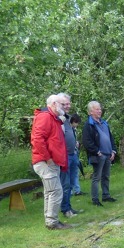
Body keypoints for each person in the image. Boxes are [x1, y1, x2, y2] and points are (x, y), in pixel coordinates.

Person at [30, 94, 69, 230]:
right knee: (56, 191)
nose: (63, 107)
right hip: (45, 162)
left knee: (50, 192)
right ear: (53, 104)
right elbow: (37, 139)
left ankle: (50, 221)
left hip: (50, 161)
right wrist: (48, 158)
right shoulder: (45, 117)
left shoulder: (53, 118)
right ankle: (52, 222)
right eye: (61, 104)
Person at [82, 101, 117, 206]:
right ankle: (95, 199)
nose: (100, 111)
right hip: (98, 155)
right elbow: (87, 142)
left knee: (106, 176)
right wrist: (97, 152)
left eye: (100, 109)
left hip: (108, 154)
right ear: (91, 112)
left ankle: (106, 195)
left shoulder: (104, 123)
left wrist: (113, 151)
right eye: (97, 109)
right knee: (96, 177)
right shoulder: (89, 125)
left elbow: (110, 138)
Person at [57, 93, 82, 218]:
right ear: (57, 104)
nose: (67, 106)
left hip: (73, 154)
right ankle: (65, 210)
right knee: (65, 184)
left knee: (71, 183)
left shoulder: (67, 118)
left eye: (68, 103)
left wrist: (74, 141)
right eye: (63, 104)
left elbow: (69, 133)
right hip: (64, 156)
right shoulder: (57, 118)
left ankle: (69, 207)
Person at [69, 113, 84, 196]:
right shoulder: (67, 129)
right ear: (74, 121)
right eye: (77, 123)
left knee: (75, 172)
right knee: (70, 173)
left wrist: (76, 142)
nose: (77, 125)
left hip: (75, 153)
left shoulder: (74, 130)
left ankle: (77, 190)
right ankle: (70, 191)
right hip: (69, 154)